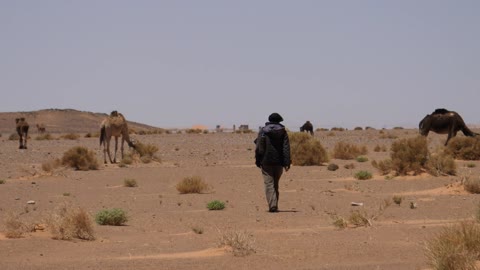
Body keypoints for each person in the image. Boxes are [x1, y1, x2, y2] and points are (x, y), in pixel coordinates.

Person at [255, 112, 291, 213]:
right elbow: (286, 148)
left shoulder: (263, 131)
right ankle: (274, 205)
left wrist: (258, 160)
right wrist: (287, 162)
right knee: (275, 184)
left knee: (269, 184)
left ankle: (273, 205)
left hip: (266, 161)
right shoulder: (283, 132)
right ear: (279, 121)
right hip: (279, 162)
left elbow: (259, 147)